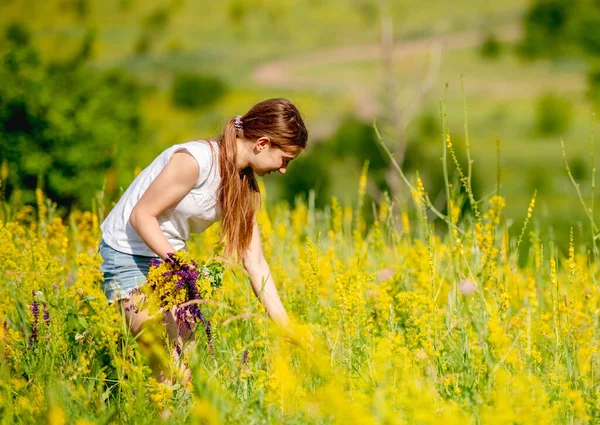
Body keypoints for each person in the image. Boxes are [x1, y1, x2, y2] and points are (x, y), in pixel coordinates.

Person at [97, 98, 308, 356]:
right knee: (164, 356)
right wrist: (180, 264)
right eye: (284, 160)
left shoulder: (246, 190)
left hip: (169, 260)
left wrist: (285, 325)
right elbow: (141, 216)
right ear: (262, 144)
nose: (284, 169)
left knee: (187, 361)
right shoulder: (195, 161)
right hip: (128, 253)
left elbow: (255, 262)